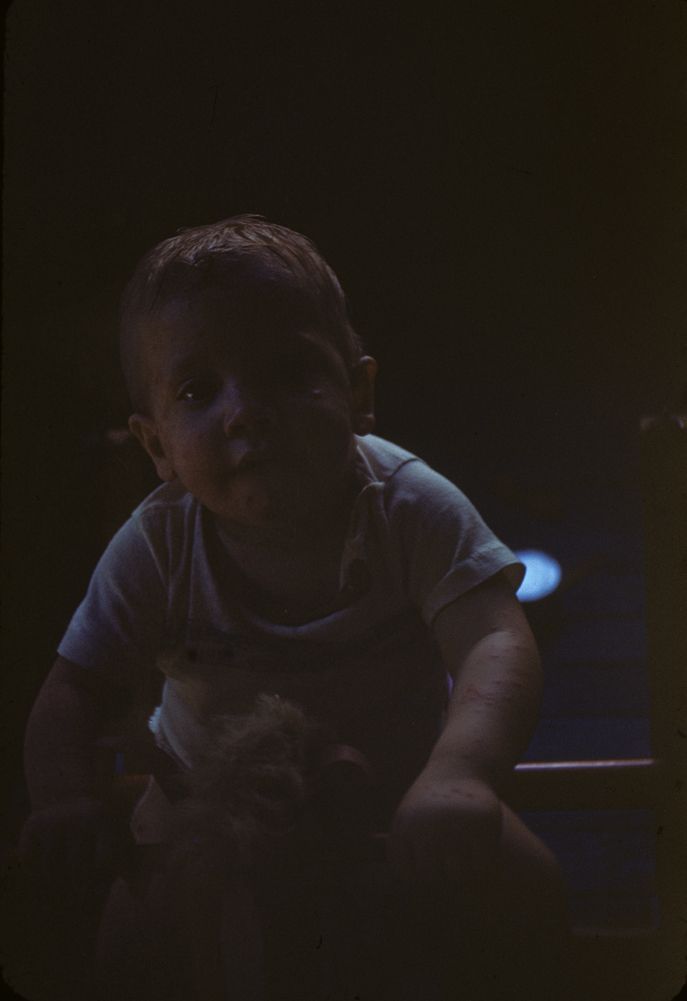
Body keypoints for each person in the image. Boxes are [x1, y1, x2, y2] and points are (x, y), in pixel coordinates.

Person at [20, 215, 568, 1000]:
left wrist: (460, 772)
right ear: (157, 446)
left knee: (530, 895)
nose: (246, 411)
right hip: (203, 803)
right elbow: (74, 687)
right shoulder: (158, 542)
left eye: (286, 372)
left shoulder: (409, 505)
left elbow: (493, 641)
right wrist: (64, 798)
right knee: (129, 952)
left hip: (402, 789)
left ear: (358, 394)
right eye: (197, 390)